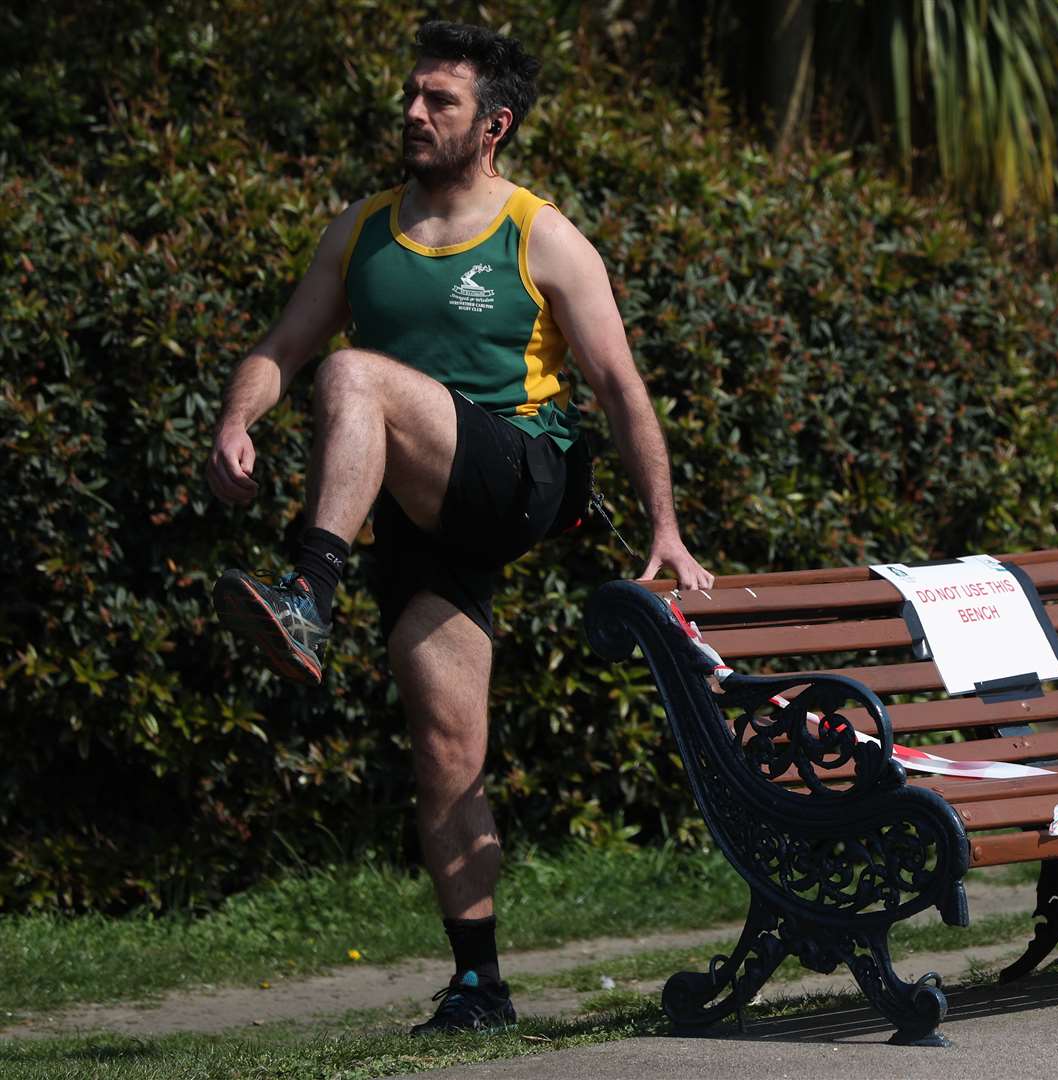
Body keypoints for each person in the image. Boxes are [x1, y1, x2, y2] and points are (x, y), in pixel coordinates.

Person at [204, 20, 713, 1036]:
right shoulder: (361, 230)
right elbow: (281, 345)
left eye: (440, 100)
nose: (414, 113)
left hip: (520, 470)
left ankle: (309, 594)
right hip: (422, 506)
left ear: (494, 126)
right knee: (445, 746)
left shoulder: (540, 234)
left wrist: (665, 523)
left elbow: (619, 387)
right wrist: (236, 418)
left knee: (356, 373)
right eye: (412, 95)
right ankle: (479, 983)